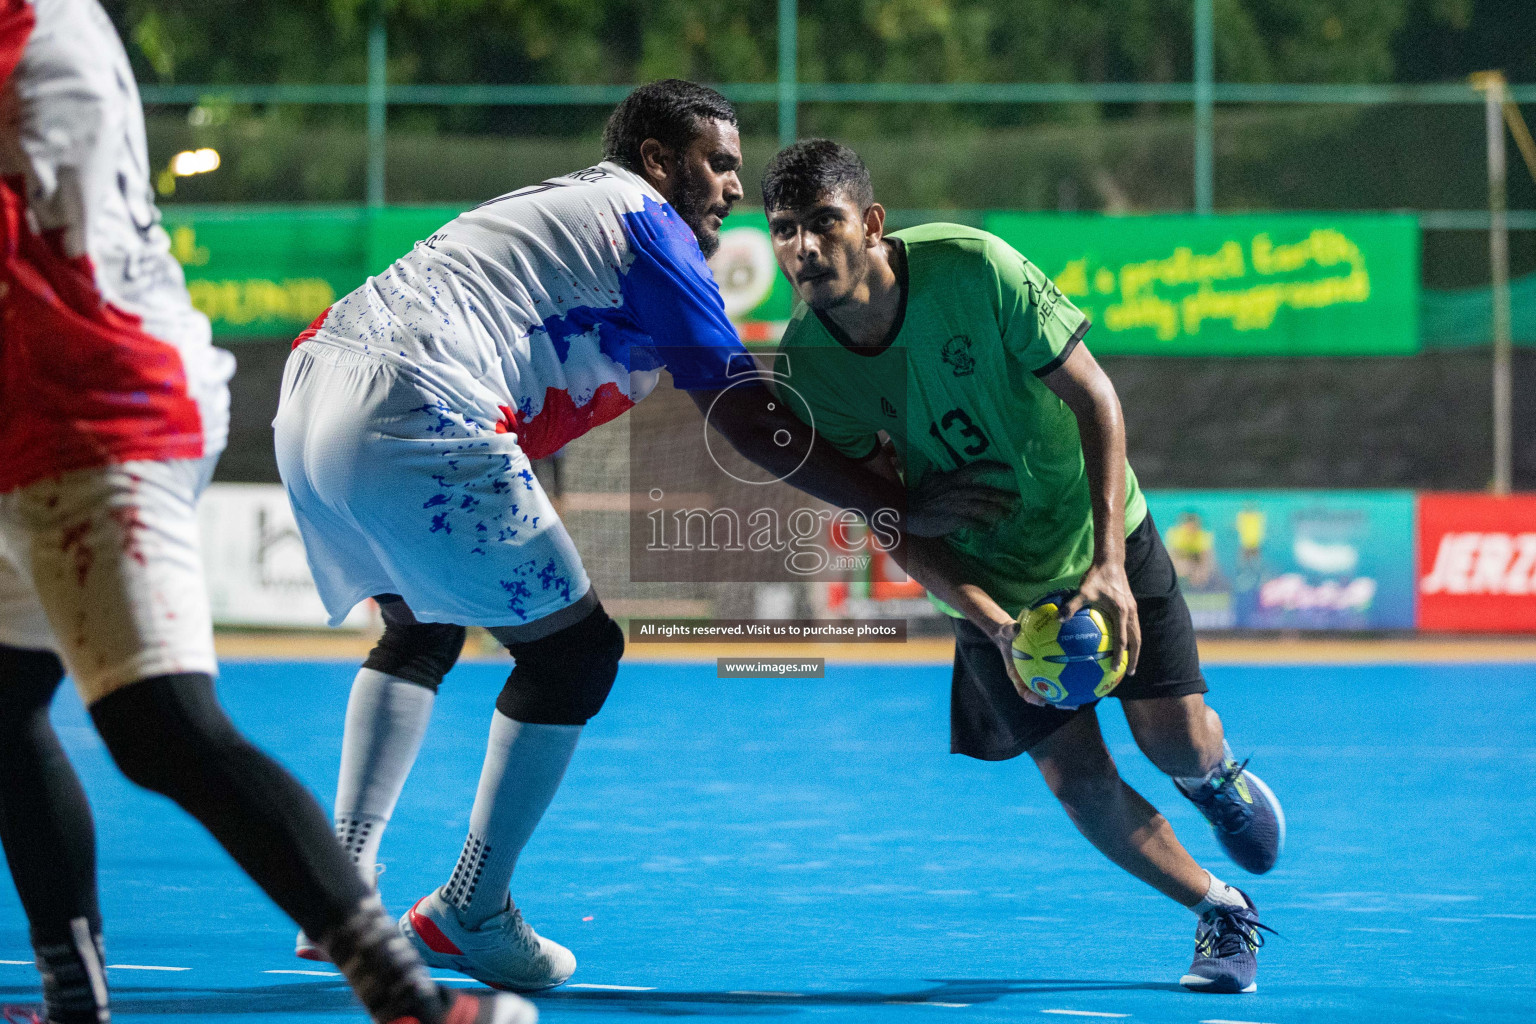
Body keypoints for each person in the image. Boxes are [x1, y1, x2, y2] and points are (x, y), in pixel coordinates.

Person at [272, 81, 1000, 992]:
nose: (733, 188)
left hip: (313, 388)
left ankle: (340, 888)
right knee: (576, 656)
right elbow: (743, 413)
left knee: (420, 626)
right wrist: (887, 504)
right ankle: (473, 905)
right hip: (418, 406)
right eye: (718, 164)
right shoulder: (646, 225)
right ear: (658, 162)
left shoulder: (565, 214)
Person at [0, 2, 532, 1022]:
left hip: (96, 406)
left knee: (160, 725)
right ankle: (76, 998)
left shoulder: (30, 28)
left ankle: (407, 995)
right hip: (47, 399)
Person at [759, 139, 1285, 994]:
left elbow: (1097, 397)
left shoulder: (973, 267)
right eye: (785, 231)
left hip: (1097, 533)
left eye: (824, 223)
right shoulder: (810, 363)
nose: (805, 249)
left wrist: (1110, 564)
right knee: (1076, 780)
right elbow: (889, 517)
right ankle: (1219, 910)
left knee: (1171, 738)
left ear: (872, 225)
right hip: (989, 579)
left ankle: (1212, 777)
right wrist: (990, 621)